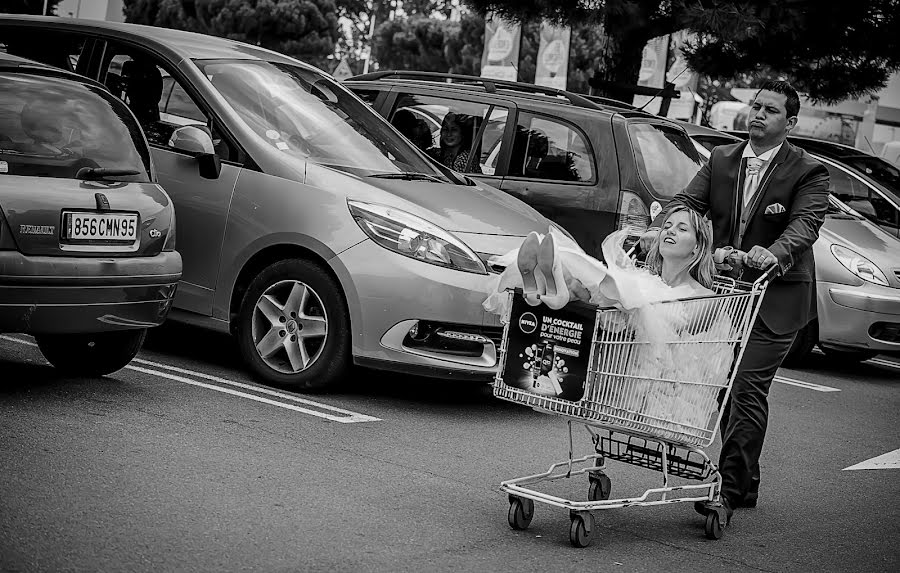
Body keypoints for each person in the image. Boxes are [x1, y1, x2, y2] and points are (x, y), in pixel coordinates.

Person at [639, 80, 830, 527]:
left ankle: (725, 491)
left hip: (777, 301)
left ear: (791, 122)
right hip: (724, 295)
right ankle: (747, 482)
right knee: (720, 384)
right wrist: (686, 232)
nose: (758, 114)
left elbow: (806, 224)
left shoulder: (808, 171)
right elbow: (688, 200)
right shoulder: (722, 159)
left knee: (746, 386)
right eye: (755, 106)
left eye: (771, 110)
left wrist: (775, 253)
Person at [482, 204, 717, 319]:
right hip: (619, 347)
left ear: (697, 246)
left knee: (619, 289)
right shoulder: (645, 277)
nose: (670, 231)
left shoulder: (705, 296)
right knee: (611, 284)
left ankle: (565, 283)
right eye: (666, 226)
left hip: (651, 365)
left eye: (681, 228)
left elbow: (680, 332)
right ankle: (559, 283)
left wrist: (638, 309)